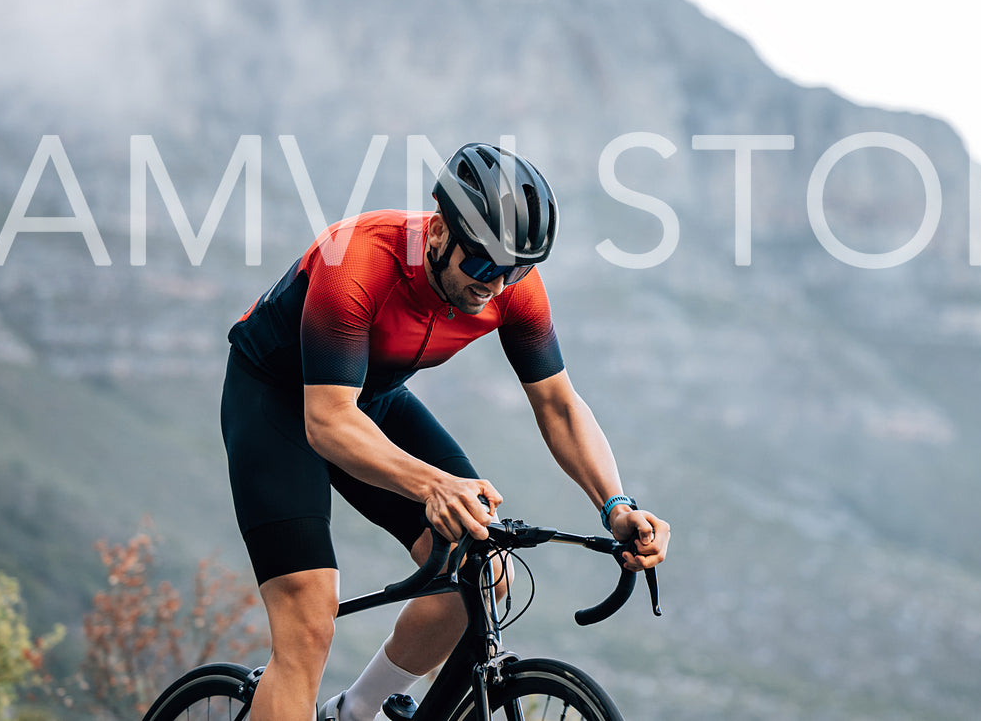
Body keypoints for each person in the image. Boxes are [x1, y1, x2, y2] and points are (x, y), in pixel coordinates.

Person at [220, 142, 671, 721]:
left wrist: (616, 505)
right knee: (308, 621)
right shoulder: (354, 259)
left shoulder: (511, 288)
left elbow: (558, 405)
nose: (496, 284)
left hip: (373, 399)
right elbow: (327, 420)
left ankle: (355, 712)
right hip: (279, 402)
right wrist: (434, 484)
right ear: (437, 231)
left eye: (517, 269)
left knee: (484, 570)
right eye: (482, 264)